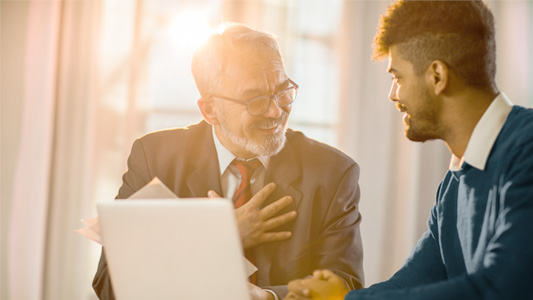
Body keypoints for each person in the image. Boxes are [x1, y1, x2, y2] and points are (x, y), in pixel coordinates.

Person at [92, 22, 364, 300]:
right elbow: (109, 285)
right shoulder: (154, 158)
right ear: (210, 110)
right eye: (255, 99)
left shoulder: (333, 172)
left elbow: (346, 286)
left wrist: (268, 298)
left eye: (283, 92)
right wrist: (219, 237)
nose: (276, 111)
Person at [285, 1, 533, 299]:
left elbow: (501, 288)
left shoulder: (527, 149)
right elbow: (412, 281)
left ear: (437, 76)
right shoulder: (454, 182)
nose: (393, 94)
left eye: (397, 77)